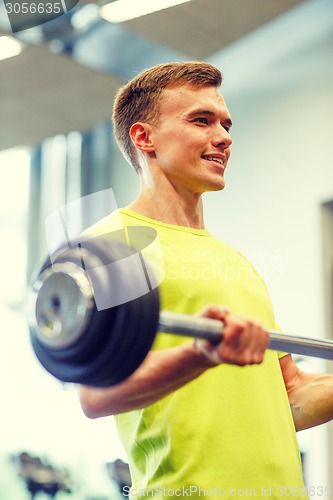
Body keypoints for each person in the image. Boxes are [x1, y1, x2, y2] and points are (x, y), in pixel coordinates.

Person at [78, 62, 333, 498]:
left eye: (226, 124)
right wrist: (201, 354)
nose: (225, 136)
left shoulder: (234, 260)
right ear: (145, 138)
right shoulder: (115, 243)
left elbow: (289, 395)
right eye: (202, 120)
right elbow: (97, 395)